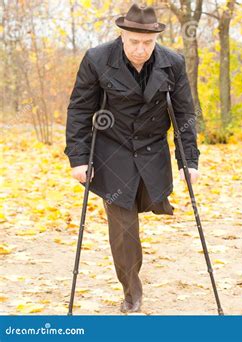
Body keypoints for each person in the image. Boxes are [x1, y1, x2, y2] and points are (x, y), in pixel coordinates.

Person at [64, 3, 200, 313]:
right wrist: (78, 157)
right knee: (124, 225)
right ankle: (131, 293)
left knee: (151, 202)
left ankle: (155, 200)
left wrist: (188, 160)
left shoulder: (173, 63)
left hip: (152, 150)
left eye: (147, 43)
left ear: (156, 40)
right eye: (134, 41)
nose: (140, 49)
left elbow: (184, 113)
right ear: (122, 35)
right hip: (112, 152)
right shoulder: (97, 59)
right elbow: (80, 110)